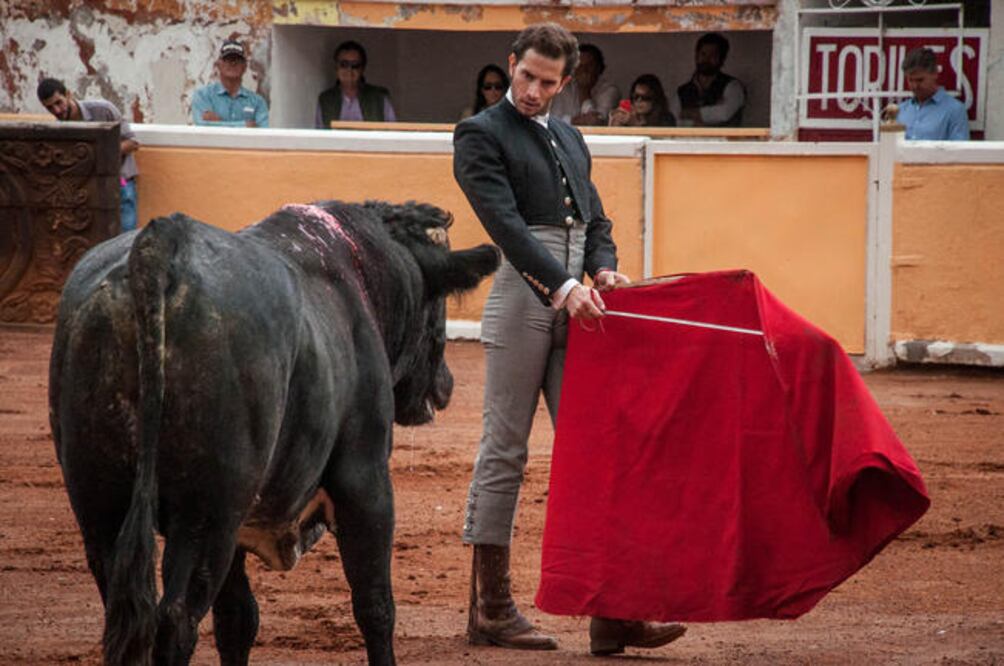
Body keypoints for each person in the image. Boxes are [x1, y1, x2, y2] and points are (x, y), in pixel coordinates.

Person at [453, 22, 686, 655]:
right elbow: (506, 226)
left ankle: (612, 613)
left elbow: (596, 218)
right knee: (505, 451)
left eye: (546, 82)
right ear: (511, 64)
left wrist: (603, 267)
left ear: (564, 83)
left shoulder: (569, 133)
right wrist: (563, 284)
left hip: (578, 301)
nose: (532, 91)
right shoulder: (479, 133)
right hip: (524, 299)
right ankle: (491, 610)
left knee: (597, 451)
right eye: (525, 76)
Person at [37, 78, 140, 233]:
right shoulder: (59, 130)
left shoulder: (103, 110)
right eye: (50, 108)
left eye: (59, 103)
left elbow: (133, 143)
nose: (57, 111)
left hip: (121, 183)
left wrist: (96, 155)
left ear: (69, 95)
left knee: (126, 240)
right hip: (88, 193)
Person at [669, 32, 746, 127]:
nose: (706, 59)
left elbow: (724, 114)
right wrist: (704, 118)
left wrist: (689, 113)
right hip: (689, 141)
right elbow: (674, 122)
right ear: (696, 56)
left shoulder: (733, 86)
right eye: (703, 54)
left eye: (713, 55)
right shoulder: (682, 92)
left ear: (722, 59)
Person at [893, 47, 969, 141]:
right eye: (910, 80)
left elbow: (959, 151)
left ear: (935, 74)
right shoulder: (900, 110)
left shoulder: (954, 110)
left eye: (920, 80)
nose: (915, 86)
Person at [315, 40, 397, 127]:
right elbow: (320, 134)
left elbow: (392, 132)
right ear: (336, 67)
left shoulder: (379, 98)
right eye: (344, 64)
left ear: (362, 69)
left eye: (355, 65)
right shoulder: (326, 100)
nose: (349, 70)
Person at [191, 39, 269, 128]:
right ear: (218, 64)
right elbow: (202, 125)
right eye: (227, 59)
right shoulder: (203, 96)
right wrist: (244, 125)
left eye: (238, 59)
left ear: (245, 67)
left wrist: (218, 124)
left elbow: (263, 133)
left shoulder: (257, 102)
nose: (233, 63)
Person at [549, 43, 620, 126]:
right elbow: (553, 120)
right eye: (580, 66)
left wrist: (584, 91)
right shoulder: (564, 87)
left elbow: (597, 123)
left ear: (599, 68)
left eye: (589, 65)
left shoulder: (610, 91)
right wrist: (573, 121)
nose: (584, 70)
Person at [608, 74, 677, 127]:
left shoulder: (665, 118)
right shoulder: (628, 115)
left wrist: (635, 125)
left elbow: (657, 140)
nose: (639, 101)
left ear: (655, 99)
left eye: (645, 97)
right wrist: (616, 121)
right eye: (636, 97)